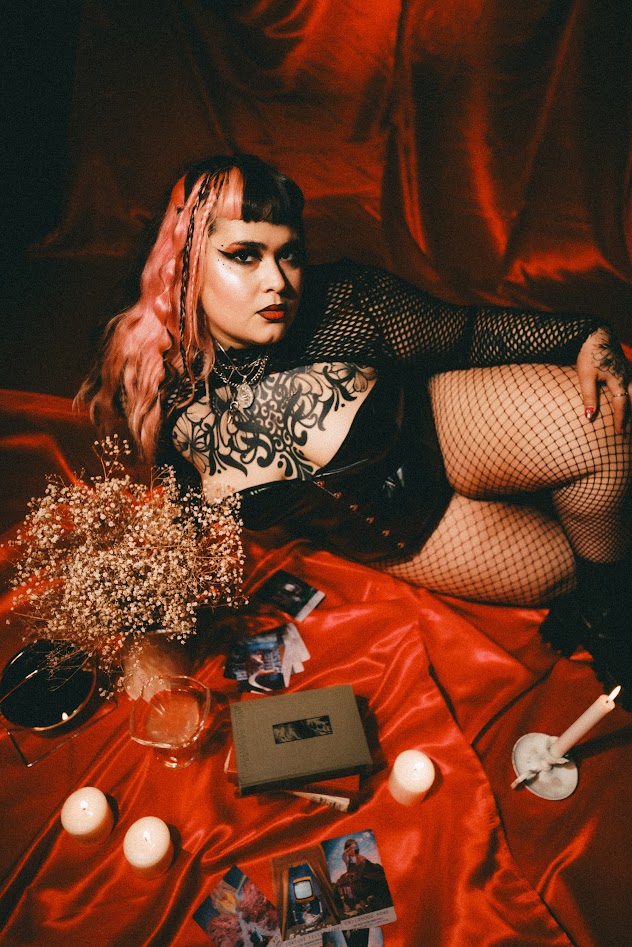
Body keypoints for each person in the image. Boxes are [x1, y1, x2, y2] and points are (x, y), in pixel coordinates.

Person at [78, 153, 632, 703]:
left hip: (443, 430)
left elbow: (467, 333)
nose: (278, 282)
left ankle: (609, 621)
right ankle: (598, 593)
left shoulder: (345, 300)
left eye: (289, 254)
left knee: (599, 423)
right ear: (186, 261)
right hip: (410, 531)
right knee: (584, 570)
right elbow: (181, 520)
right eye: (244, 255)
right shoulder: (157, 382)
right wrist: (150, 626)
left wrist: (585, 334)